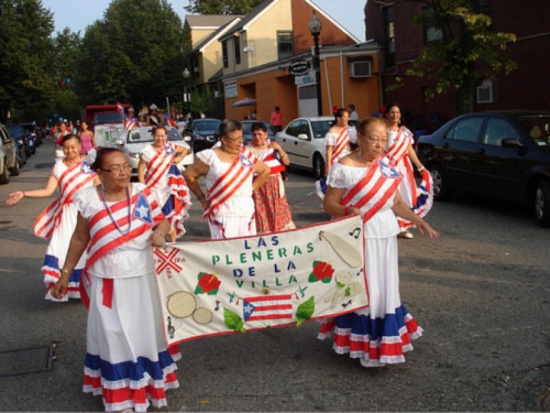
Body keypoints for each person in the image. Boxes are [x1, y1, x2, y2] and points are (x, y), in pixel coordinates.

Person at [51, 148, 180, 412]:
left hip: (143, 276)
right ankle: (119, 394)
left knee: (143, 330)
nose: (123, 172)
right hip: (107, 277)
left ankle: (147, 385)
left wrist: (160, 232)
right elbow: (79, 238)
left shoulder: (142, 192)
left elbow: (163, 222)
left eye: (125, 166)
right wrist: (65, 274)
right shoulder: (89, 200)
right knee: (113, 333)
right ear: (99, 173)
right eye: (115, 168)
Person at [318, 117, 440, 368]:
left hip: (384, 233)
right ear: (359, 137)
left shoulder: (387, 165)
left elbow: (395, 203)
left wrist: (418, 219)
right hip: (358, 235)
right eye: (373, 139)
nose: (379, 145)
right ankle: (363, 343)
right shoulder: (344, 166)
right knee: (367, 286)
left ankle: (383, 339)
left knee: (385, 285)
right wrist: (345, 211)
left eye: (383, 140)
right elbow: (329, 203)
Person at [5, 134, 99, 302]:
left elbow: (99, 189)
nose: (70, 151)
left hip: (86, 213)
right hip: (65, 216)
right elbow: (48, 191)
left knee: (87, 249)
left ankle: (88, 286)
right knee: (61, 248)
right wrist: (24, 193)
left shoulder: (89, 165)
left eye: (73, 147)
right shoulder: (58, 167)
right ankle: (64, 286)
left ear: (79, 147)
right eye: (66, 148)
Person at [184, 119, 270, 239]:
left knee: (246, 249)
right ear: (224, 139)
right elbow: (189, 175)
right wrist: (201, 198)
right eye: (236, 139)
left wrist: (251, 188)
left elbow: (265, 170)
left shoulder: (245, 154)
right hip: (223, 212)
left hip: (246, 211)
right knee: (227, 251)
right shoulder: (210, 157)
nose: (240, 142)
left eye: (241, 137)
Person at [137, 125, 191, 242]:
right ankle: (156, 243)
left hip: (168, 189)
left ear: (166, 136)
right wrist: (142, 187)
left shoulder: (170, 147)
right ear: (153, 136)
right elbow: (141, 169)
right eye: (157, 136)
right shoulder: (147, 151)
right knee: (155, 218)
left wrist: (178, 159)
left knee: (171, 217)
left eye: (162, 136)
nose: (160, 139)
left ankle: (173, 244)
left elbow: (185, 149)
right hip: (152, 190)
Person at [384, 103, 430, 239]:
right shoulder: (383, 131)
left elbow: (409, 150)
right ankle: (390, 225)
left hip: (403, 167)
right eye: (392, 112)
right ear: (387, 114)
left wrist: (420, 166)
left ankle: (403, 227)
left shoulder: (405, 132)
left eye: (397, 112)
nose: (395, 115)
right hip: (388, 168)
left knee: (404, 195)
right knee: (389, 196)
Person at [246, 121, 295, 233]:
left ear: (266, 134)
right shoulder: (247, 150)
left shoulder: (273, 147)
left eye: (260, 134)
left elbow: (286, 162)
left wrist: (280, 149)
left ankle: (279, 232)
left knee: (277, 208)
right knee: (259, 209)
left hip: (274, 184)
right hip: (257, 185)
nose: (257, 137)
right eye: (254, 134)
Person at [316, 108, 357, 199]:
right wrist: (328, 165)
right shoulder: (332, 133)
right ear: (339, 118)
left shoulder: (350, 130)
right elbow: (329, 150)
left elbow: (354, 146)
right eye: (345, 117)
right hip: (336, 163)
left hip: (349, 162)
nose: (347, 119)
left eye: (348, 117)